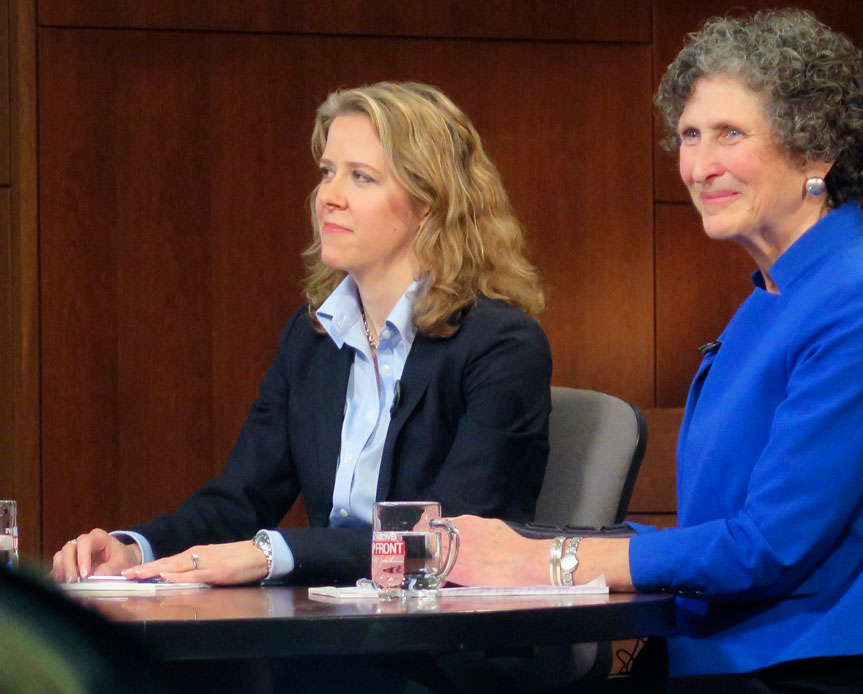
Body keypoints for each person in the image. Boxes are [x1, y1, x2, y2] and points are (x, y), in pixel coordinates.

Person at [449, 9, 863, 692]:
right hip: (722, 654)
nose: (698, 166)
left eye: (729, 134)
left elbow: (764, 548)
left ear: (817, 150)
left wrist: (551, 562)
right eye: (688, 136)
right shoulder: (771, 300)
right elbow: (721, 533)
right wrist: (528, 545)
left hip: (802, 668)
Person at [52, 81, 552, 587]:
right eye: (327, 173)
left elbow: (446, 541)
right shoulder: (313, 335)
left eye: (361, 177)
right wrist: (133, 550)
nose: (328, 198)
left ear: (429, 203)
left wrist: (272, 553)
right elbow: (241, 499)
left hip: (449, 648)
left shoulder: (502, 346)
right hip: (332, 632)